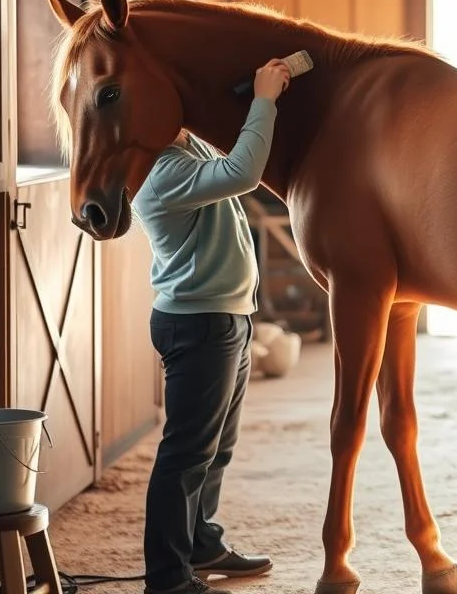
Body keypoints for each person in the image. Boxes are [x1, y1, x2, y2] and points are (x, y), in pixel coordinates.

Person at [132, 58, 293, 594]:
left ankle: (201, 542)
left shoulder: (186, 148)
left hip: (226, 318)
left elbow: (232, 150)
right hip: (200, 324)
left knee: (216, 447)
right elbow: (243, 173)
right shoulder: (163, 170)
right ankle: (168, 577)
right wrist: (264, 100)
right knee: (186, 452)